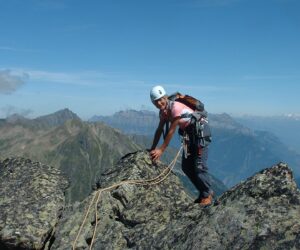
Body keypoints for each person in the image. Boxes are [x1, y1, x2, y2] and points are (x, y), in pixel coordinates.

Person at [149, 85, 213, 206]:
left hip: (201, 134)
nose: (159, 103)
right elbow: (159, 130)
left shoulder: (175, 107)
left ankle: (207, 194)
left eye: (161, 99)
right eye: (156, 101)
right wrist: (153, 148)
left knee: (199, 166)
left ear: (166, 97)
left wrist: (161, 150)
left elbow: (171, 130)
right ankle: (202, 192)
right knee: (187, 167)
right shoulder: (163, 112)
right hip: (188, 136)